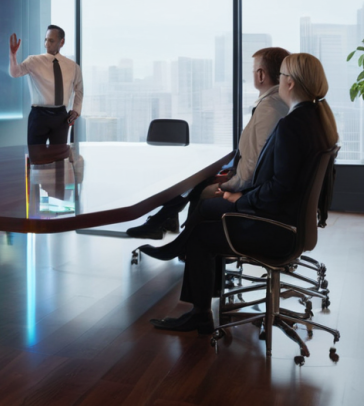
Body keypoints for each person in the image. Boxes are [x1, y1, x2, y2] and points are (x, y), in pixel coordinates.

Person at [138, 53, 338, 333]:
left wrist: (241, 199)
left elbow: (280, 188)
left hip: (274, 227)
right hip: (289, 222)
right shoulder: (317, 120)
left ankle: (199, 312)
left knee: (202, 232)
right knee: (205, 211)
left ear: (290, 83)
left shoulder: (293, 125)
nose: (278, 82)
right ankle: (182, 258)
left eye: (281, 77)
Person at [126, 47, 291, 239]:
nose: (252, 75)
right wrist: (231, 175)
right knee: (197, 183)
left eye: (254, 70)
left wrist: (230, 184)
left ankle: (182, 240)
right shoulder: (275, 104)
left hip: (251, 192)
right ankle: (169, 229)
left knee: (197, 189)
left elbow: (256, 162)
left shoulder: (269, 108)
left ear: (261, 75)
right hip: (252, 184)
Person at [9, 25, 83, 145]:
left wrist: (76, 111)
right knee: (35, 157)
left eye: (51, 41)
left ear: (62, 42)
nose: (47, 44)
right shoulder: (33, 61)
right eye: (46, 40)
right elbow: (15, 73)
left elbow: (79, 90)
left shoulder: (72, 66)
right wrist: (12, 56)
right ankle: (33, 164)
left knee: (59, 157)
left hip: (61, 116)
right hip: (39, 116)